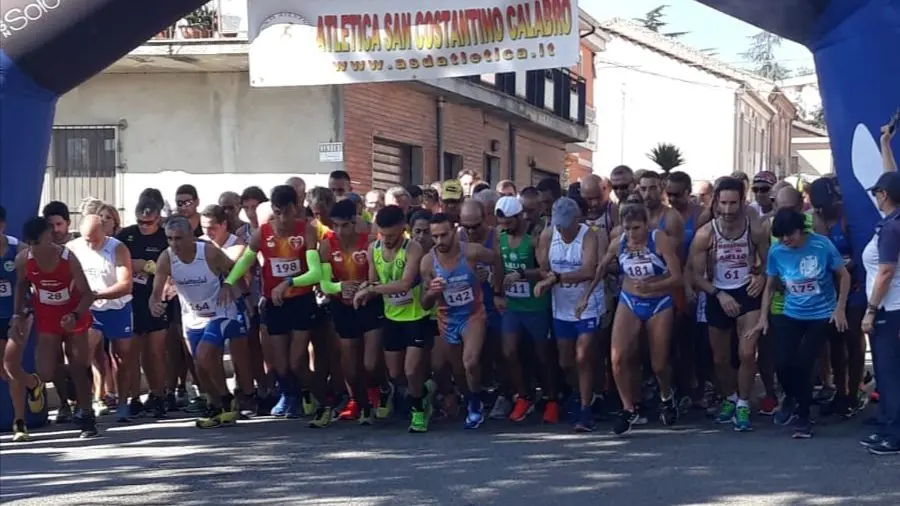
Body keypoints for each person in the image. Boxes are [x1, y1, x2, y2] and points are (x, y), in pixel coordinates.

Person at [225, 185, 323, 422]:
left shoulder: (307, 231)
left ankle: (316, 395)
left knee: (296, 360)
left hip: (301, 300)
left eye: (286, 212)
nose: (282, 218)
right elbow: (246, 261)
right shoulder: (262, 233)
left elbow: (316, 273)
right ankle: (291, 396)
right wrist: (229, 282)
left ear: (296, 209)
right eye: (277, 213)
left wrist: (287, 283)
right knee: (279, 363)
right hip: (274, 303)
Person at [749, 207, 849, 439]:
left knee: (805, 363)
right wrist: (763, 316)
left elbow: (843, 275)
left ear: (800, 230)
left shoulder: (821, 245)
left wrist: (840, 308)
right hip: (790, 313)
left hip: (821, 314)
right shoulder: (777, 251)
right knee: (783, 364)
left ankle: (803, 417)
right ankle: (792, 397)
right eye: (781, 236)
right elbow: (771, 285)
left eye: (790, 235)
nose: (786, 240)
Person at [594, 202, 682, 434]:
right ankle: (628, 408)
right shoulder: (619, 242)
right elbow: (601, 267)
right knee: (617, 358)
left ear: (646, 225)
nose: (632, 234)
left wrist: (654, 286)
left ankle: (666, 396)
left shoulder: (658, 239)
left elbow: (677, 277)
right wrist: (585, 296)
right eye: (627, 228)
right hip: (630, 300)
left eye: (636, 228)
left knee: (659, 363)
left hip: (659, 302)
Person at [7, 216, 98, 439]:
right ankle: (39, 385)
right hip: (47, 316)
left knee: (78, 367)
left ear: (49, 237)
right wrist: (18, 314)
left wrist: (75, 314)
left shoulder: (68, 259)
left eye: (38, 243)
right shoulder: (24, 259)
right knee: (46, 371)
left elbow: (88, 294)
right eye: (31, 244)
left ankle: (86, 416)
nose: (34, 249)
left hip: (73, 313)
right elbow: (20, 285)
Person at [690, 177, 769, 432]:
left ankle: (743, 403)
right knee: (720, 358)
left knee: (747, 353)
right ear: (716, 202)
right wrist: (718, 294)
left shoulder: (754, 229)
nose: (728, 209)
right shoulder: (706, 234)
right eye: (723, 203)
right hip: (718, 293)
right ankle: (731, 397)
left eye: (733, 203)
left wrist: (761, 276)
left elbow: (771, 263)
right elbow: (694, 275)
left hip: (748, 292)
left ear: (742, 202)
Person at [150, 216, 241, 429]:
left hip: (220, 312)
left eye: (179, 238)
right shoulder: (167, 257)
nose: (174, 244)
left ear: (191, 236)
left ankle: (226, 399)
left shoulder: (208, 252)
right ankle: (217, 405)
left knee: (204, 353)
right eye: (170, 239)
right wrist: (155, 303)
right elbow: (155, 293)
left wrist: (228, 285)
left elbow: (235, 269)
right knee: (200, 367)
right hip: (192, 316)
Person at [353, 205, 432, 431]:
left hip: (416, 315)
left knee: (410, 370)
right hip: (391, 317)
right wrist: (362, 290)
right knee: (396, 373)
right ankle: (425, 390)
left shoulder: (412, 248)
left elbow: (406, 283)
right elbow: (372, 281)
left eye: (392, 235)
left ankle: (418, 411)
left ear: (403, 229)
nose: (387, 240)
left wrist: (373, 290)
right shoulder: (373, 249)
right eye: (383, 234)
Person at [421, 213, 499, 430]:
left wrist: (497, 287)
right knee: (458, 369)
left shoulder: (471, 252)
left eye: (444, 235)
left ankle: (475, 406)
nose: (439, 241)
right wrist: (431, 293)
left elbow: (496, 258)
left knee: (470, 361)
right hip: (447, 318)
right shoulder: (428, 262)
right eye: (434, 236)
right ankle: (470, 398)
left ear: (454, 231)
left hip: (473, 314)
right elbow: (425, 304)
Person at [534, 197, 601, 432]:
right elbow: (543, 266)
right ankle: (584, 394)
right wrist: (547, 279)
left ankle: (585, 409)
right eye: (558, 225)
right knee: (566, 362)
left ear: (577, 220)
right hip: (561, 306)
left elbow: (589, 269)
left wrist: (558, 278)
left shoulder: (589, 235)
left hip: (586, 303)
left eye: (566, 225)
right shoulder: (548, 235)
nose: (561, 229)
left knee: (583, 357)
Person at [68, 215, 137, 421]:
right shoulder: (73, 248)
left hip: (118, 307)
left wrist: (96, 295)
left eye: (95, 239)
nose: (91, 244)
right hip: (91, 310)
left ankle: (123, 402)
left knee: (123, 355)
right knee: (84, 351)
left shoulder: (118, 248)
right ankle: (85, 403)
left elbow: (126, 285)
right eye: (87, 239)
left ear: (104, 233)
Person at [317, 199, 381, 424]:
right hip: (341, 305)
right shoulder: (327, 244)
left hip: (369, 303)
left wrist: (365, 287)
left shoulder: (370, 241)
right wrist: (339, 287)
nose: (339, 231)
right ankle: (362, 404)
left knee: (370, 363)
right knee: (351, 367)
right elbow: (323, 283)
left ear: (355, 222)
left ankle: (379, 389)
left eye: (344, 225)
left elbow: (378, 277)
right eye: (335, 225)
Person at [809, 176, 868, 417]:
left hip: (854, 284)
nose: (822, 209)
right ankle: (840, 391)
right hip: (829, 287)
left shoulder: (847, 217)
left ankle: (854, 392)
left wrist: (844, 267)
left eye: (825, 204)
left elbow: (862, 252)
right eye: (818, 205)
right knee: (834, 340)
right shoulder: (817, 217)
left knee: (852, 336)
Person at [494, 196, 557, 423]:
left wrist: (521, 274)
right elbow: (499, 267)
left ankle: (551, 398)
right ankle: (524, 396)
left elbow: (544, 271)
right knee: (509, 351)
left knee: (542, 355)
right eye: (501, 224)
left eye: (509, 223)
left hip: (535, 305)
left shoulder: (533, 239)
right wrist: (497, 293)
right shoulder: (500, 238)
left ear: (519, 217)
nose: (505, 228)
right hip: (513, 305)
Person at [200, 205, 257, 413]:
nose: (208, 232)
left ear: (224, 225)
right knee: (210, 352)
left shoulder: (237, 244)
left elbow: (228, 263)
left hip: (235, 303)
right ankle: (220, 396)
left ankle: (248, 394)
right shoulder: (201, 243)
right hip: (208, 307)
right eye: (204, 227)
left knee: (239, 352)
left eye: (213, 227)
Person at [117, 197, 170, 418]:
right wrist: (131, 265)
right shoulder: (126, 236)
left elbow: (175, 265)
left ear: (158, 219)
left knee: (155, 352)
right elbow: (113, 261)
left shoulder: (165, 237)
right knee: (131, 354)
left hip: (158, 298)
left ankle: (158, 394)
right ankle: (133, 398)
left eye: (149, 222)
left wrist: (150, 267)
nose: (144, 226)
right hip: (132, 301)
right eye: (140, 222)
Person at [860, 168, 900, 455]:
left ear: (884, 195)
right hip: (893, 307)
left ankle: (894, 434)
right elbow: (892, 175)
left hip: (890, 308)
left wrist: (871, 310)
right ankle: (887, 424)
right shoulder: (894, 221)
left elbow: (885, 271)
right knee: (888, 372)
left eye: (877, 192)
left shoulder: (891, 227)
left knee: (889, 373)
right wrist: (885, 143)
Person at [458, 200, 506, 418]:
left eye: (475, 226)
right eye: (465, 226)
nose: (470, 231)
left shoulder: (494, 236)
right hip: (468, 304)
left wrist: (494, 281)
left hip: (492, 300)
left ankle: (504, 392)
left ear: (486, 218)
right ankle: (472, 394)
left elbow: (503, 266)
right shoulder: (458, 237)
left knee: (499, 348)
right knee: (470, 355)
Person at [0, 207, 23, 439]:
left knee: (11, 365)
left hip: (17, 315)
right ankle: (33, 382)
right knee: (4, 370)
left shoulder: (19, 250)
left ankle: (19, 421)